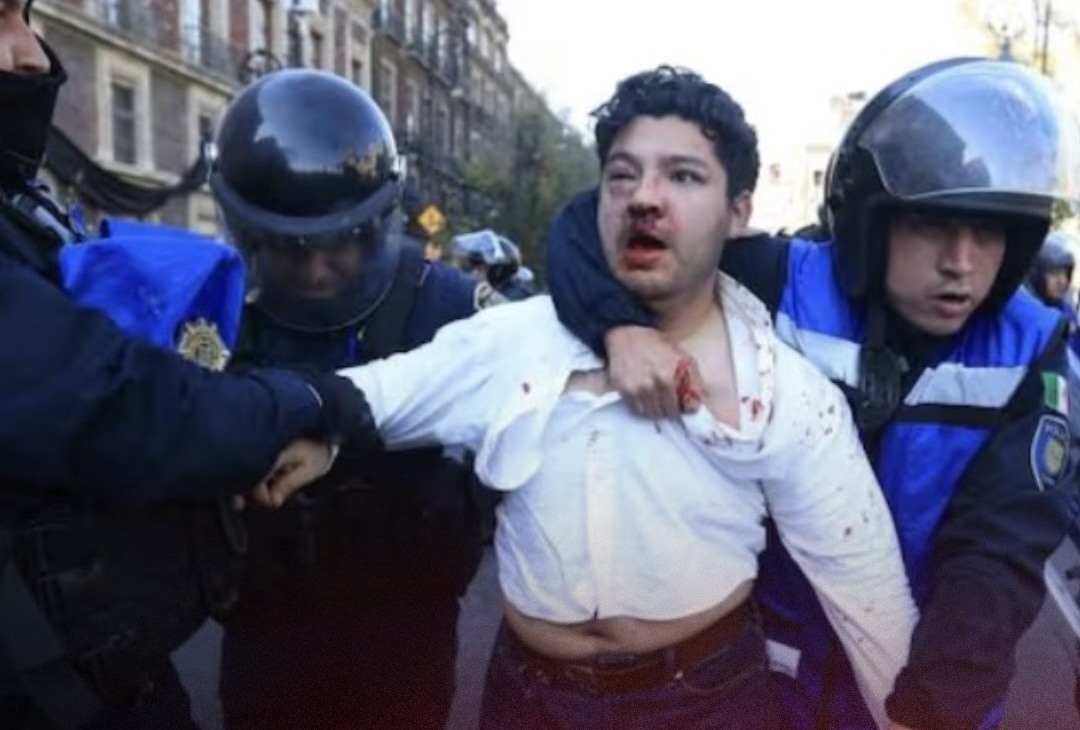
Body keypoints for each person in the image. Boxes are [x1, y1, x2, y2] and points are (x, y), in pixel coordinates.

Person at [269, 65, 919, 730]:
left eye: (684, 176)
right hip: (528, 699)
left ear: (739, 212)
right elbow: (370, 396)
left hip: (709, 701)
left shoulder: (786, 391)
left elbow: (870, 602)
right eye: (622, 175)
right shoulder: (508, 340)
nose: (644, 197)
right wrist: (319, 433)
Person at [542, 57, 1080, 730]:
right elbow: (581, 226)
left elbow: (1004, 538)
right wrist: (617, 325)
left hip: (919, 691)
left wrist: (947, 689)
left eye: (990, 231)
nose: (961, 263)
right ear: (871, 220)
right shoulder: (775, 282)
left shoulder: (1032, 347)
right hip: (748, 686)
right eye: (934, 226)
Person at [0, 4, 376, 728]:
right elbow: (121, 403)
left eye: (24, 15)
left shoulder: (25, 207)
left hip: (107, 679)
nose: (30, 55)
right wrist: (311, 400)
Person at [208, 69, 492, 730]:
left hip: (404, 635)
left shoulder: (449, 307)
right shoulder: (213, 312)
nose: (315, 270)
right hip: (267, 640)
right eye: (287, 248)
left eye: (339, 243)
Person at [1028, 230, 1080, 356]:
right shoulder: (1028, 314)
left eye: (1065, 274)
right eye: (1054, 273)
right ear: (1037, 274)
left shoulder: (1066, 310)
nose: (1062, 281)